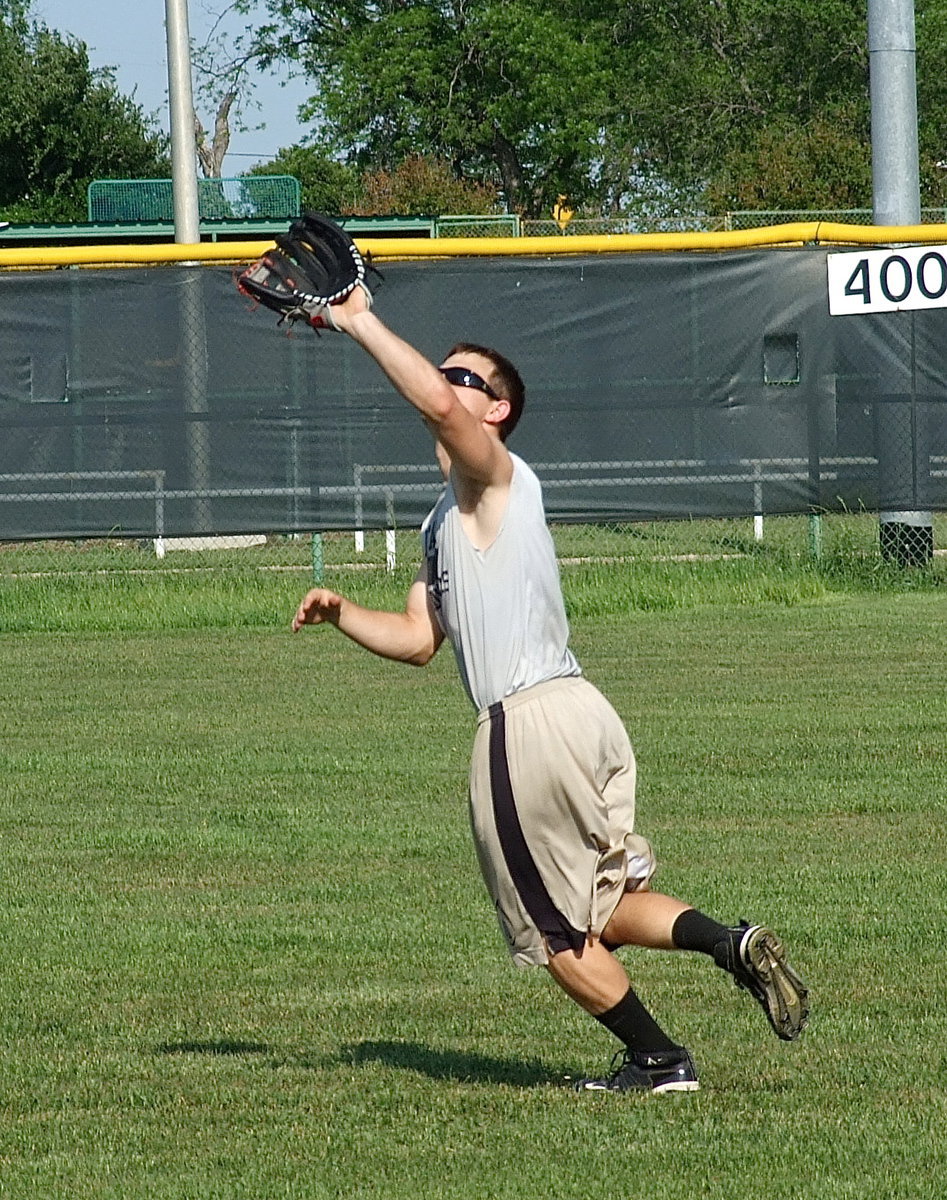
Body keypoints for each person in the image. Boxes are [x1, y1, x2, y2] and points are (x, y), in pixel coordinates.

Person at [291, 288, 809, 1094]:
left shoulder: (496, 478)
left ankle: (658, 1060)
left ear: (496, 412)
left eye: (464, 377)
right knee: (600, 907)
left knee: (552, 932)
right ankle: (727, 942)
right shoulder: (442, 522)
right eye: (446, 372)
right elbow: (419, 641)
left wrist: (356, 318)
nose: (445, 381)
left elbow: (434, 408)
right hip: (582, 714)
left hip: (526, 725)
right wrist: (341, 613)